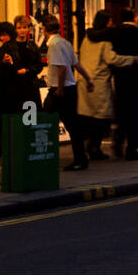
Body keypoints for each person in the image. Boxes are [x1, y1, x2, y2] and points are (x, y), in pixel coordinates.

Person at [43, 17, 94, 170]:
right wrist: (88, 79)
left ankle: (44, 155)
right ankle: (81, 158)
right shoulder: (65, 42)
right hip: (71, 88)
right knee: (73, 126)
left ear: (45, 30)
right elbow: (76, 64)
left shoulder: (54, 45)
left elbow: (62, 68)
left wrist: (59, 89)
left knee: (43, 120)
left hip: (60, 90)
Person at [108, 8, 138, 160]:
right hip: (136, 77)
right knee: (135, 115)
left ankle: (118, 143)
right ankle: (132, 149)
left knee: (122, 112)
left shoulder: (114, 34)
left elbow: (110, 55)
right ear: (135, 17)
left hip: (120, 78)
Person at [0, 21, 36, 160]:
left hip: (11, 89)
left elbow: (6, 69)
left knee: (8, 118)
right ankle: (3, 148)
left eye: (5, 35)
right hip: (10, 88)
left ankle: (3, 148)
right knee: (8, 117)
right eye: (1, 35)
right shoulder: (10, 48)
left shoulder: (9, 48)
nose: (3, 38)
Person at [77, 10, 121, 160]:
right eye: (110, 21)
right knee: (100, 118)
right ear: (106, 22)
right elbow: (112, 59)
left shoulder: (86, 38)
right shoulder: (105, 41)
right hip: (99, 84)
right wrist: (131, 59)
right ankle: (94, 147)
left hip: (85, 81)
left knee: (87, 117)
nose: (111, 24)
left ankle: (86, 146)